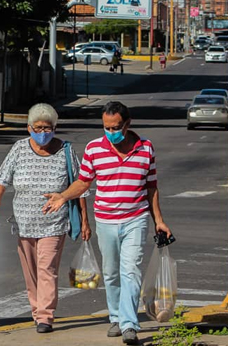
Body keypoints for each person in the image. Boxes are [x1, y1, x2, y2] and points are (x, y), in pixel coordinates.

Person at [42, 101, 172, 345]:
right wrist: (62, 196)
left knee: (130, 271)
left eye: (116, 127)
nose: (111, 132)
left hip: (136, 218)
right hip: (105, 220)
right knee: (111, 274)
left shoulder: (146, 148)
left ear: (127, 123)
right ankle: (115, 317)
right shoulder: (94, 149)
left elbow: (151, 187)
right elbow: (83, 183)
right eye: (106, 128)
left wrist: (159, 221)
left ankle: (129, 324)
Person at [0, 103, 89, 334]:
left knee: (47, 268)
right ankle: (36, 311)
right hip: (24, 223)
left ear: (54, 128)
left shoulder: (65, 150)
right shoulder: (19, 148)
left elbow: (80, 186)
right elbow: (2, 177)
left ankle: (45, 316)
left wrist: (84, 220)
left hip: (54, 222)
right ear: (29, 128)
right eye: (38, 127)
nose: (43, 132)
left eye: (48, 128)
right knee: (31, 270)